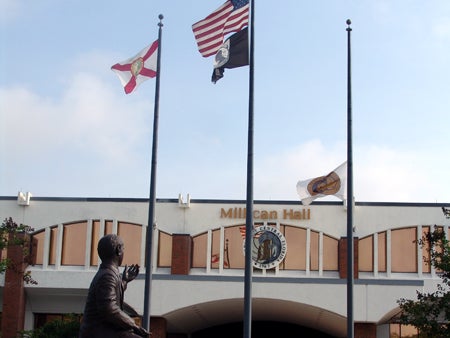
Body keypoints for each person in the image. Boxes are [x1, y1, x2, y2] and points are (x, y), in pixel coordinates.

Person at [79, 234, 150, 337]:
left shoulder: (107, 273)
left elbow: (111, 295)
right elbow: (109, 308)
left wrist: (124, 281)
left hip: (104, 330)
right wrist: (134, 326)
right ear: (119, 250)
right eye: (123, 249)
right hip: (98, 332)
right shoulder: (107, 275)